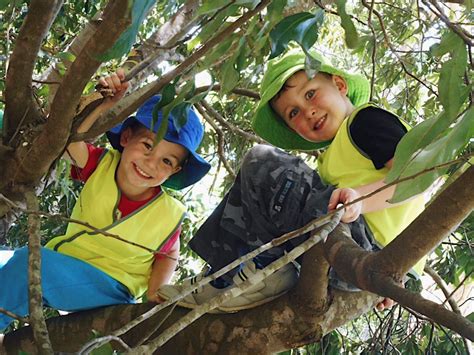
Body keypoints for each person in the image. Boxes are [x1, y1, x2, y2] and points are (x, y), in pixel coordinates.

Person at [157, 49, 426, 312]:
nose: (307, 111)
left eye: (310, 94)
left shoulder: (365, 120)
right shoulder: (335, 154)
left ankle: (243, 273)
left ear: (340, 85)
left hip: (364, 248)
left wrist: (361, 201)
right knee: (265, 195)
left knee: (261, 160)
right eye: (293, 113)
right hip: (356, 262)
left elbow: (419, 174)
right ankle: (232, 274)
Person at [0, 71, 211, 331]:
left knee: (27, 263)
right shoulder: (101, 165)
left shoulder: (168, 212)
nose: (151, 163)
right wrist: (104, 102)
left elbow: (168, 253)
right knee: (5, 260)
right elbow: (67, 141)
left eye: (167, 161)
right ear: (126, 137)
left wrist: (156, 291)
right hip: (67, 267)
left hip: (113, 288)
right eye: (147, 145)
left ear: (175, 171)